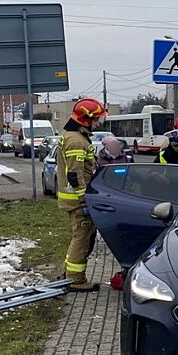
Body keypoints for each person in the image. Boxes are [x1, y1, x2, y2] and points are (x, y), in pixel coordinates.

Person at [56, 97, 107, 292]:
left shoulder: (77, 136)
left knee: (82, 237)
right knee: (82, 238)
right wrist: (85, 199)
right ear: (86, 119)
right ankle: (76, 280)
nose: (98, 123)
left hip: (76, 199)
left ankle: (69, 273)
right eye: (96, 119)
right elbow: (75, 174)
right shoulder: (76, 140)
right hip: (77, 201)